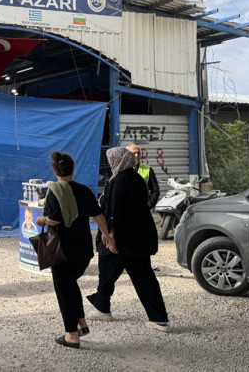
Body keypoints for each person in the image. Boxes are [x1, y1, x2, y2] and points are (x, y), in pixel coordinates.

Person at [87, 147, 170, 332]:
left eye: (111, 161)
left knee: (107, 271)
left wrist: (109, 236)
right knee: (143, 276)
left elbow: (115, 212)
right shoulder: (136, 178)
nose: (109, 164)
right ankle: (159, 318)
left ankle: (102, 308)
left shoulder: (119, 181)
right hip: (138, 238)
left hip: (122, 239)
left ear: (118, 161)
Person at [35, 151, 112, 349]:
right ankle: (82, 323)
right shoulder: (84, 190)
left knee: (63, 289)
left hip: (61, 249)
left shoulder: (54, 191)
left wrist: (41, 219)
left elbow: (55, 220)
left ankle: (72, 335)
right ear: (72, 168)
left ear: (55, 170)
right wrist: (107, 235)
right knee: (70, 284)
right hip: (83, 249)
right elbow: (98, 215)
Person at [126, 144, 161, 209]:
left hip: (143, 208)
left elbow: (155, 191)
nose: (136, 155)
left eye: (138, 153)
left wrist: (148, 206)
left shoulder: (148, 169)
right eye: (134, 153)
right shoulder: (122, 169)